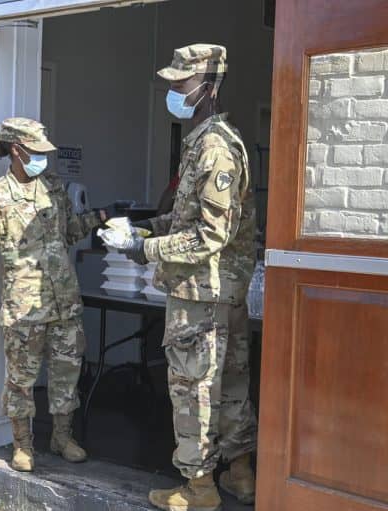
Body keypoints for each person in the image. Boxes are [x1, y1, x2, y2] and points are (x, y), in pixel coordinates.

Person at [124, 45, 258, 511]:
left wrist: (145, 249)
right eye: (173, 83)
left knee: (193, 387)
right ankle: (240, 474)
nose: (174, 91)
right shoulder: (204, 139)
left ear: (210, 86)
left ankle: (199, 487)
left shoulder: (216, 147)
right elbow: (190, 220)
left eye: (182, 84)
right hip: (221, 291)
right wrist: (143, 229)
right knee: (232, 382)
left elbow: (209, 235)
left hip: (202, 292)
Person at [0, 118, 110, 472]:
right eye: (37, 151)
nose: (43, 159)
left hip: (64, 302)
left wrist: (99, 218)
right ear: (17, 151)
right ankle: (23, 445)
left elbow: (69, 230)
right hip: (24, 310)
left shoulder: (52, 187)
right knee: (21, 380)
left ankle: (62, 437)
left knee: (67, 372)